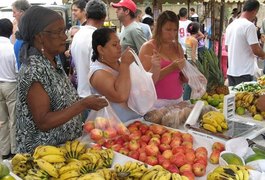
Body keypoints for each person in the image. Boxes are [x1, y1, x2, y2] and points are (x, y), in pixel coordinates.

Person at [15, 6, 108, 153]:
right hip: (43, 155)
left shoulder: (53, 61)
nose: (65, 37)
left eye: (64, 31)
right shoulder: (34, 70)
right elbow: (43, 121)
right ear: (40, 37)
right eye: (58, 32)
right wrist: (83, 104)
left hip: (65, 148)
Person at [89, 28, 140, 122]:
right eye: (114, 44)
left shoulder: (120, 62)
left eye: (119, 43)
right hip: (113, 126)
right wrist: (125, 64)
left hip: (135, 121)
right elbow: (120, 96)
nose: (119, 47)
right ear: (101, 49)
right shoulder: (98, 73)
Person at [139, 10, 186, 107]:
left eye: (175, 30)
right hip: (157, 103)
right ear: (159, 28)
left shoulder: (178, 47)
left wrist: (189, 76)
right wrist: (171, 68)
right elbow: (147, 81)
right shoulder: (148, 47)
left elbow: (180, 76)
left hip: (178, 100)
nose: (172, 34)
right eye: (168, 30)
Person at [71, 0, 107, 98]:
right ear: (104, 18)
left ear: (86, 15)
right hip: (94, 96)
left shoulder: (77, 35)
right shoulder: (99, 38)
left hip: (81, 92)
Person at [225, 0, 265, 86]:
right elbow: (256, 50)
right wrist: (263, 55)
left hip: (231, 72)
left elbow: (227, 48)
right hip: (244, 72)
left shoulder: (231, 25)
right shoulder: (249, 26)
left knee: (234, 98)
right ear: (254, 11)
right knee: (245, 99)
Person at [0, 18, 18, 159]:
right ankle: (13, 150)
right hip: (11, 84)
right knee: (13, 119)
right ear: (11, 31)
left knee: (1, 121)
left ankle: (3, 151)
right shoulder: (12, 48)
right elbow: (17, 71)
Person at [183, 22, 200, 100]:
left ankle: (186, 98)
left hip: (187, 61)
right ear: (197, 30)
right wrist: (195, 65)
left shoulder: (188, 38)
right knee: (190, 83)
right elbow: (193, 54)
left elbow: (187, 52)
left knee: (188, 81)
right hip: (192, 61)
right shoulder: (194, 41)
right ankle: (187, 99)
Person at [12, 0, 31, 69]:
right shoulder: (21, 31)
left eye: (14, 12)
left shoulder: (29, 31)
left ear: (22, 13)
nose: (13, 15)